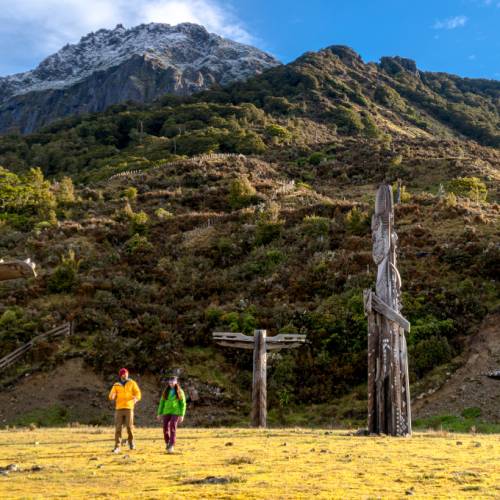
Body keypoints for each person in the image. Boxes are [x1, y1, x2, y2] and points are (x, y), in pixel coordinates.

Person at [108, 368, 142, 453]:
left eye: (126, 373)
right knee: (118, 428)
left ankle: (131, 443)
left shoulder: (132, 383)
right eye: (123, 374)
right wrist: (112, 396)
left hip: (129, 408)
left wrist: (136, 398)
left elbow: (138, 393)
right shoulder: (116, 385)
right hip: (119, 408)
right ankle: (117, 446)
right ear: (120, 375)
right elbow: (110, 395)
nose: (125, 375)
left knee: (129, 427)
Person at [156, 374, 186, 454]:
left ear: (176, 382)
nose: (171, 383)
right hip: (166, 411)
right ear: (169, 382)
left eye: (173, 382)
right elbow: (161, 403)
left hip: (175, 412)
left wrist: (182, 415)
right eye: (170, 382)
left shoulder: (180, 391)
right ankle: (167, 442)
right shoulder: (166, 391)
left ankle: (172, 445)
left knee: (172, 427)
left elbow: (183, 404)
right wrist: (159, 413)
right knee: (165, 428)